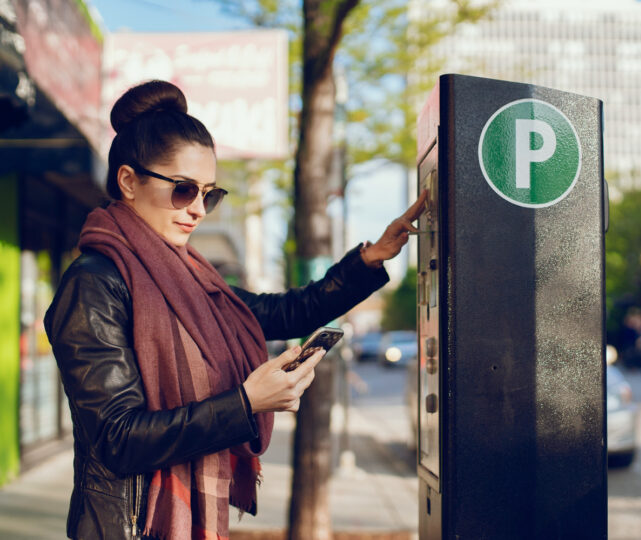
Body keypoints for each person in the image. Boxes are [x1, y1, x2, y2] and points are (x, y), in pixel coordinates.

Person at [44, 80, 428, 540]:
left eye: (210, 194)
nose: (199, 210)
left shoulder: (193, 277)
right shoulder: (94, 283)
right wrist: (246, 404)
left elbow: (284, 312)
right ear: (128, 181)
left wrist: (370, 260)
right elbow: (117, 438)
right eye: (184, 189)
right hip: (127, 527)